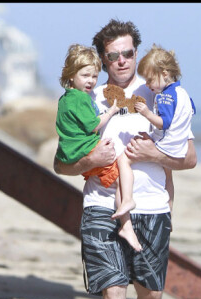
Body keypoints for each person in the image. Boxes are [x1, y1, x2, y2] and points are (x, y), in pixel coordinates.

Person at [53, 19, 197, 299]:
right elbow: (61, 164)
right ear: (102, 58)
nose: (121, 60)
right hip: (100, 204)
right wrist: (88, 161)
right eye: (113, 55)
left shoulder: (161, 92)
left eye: (128, 53)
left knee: (150, 293)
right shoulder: (88, 96)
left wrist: (155, 153)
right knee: (113, 290)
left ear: (137, 53)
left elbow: (190, 158)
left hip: (152, 208)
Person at [55, 44, 141, 252]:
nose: (91, 81)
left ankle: (126, 209)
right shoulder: (79, 99)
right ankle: (126, 221)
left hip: (72, 151)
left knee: (120, 168)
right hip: (85, 150)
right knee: (121, 172)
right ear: (71, 75)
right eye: (85, 75)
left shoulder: (65, 98)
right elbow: (93, 125)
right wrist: (111, 110)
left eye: (94, 76)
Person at [134, 43, 196, 162]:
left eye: (150, 80)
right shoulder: (182, 93)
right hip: (181, 146)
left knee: (126, 159)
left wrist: (146, 113)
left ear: (164, 74)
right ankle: (168, 181)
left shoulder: (164, 97)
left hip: (167, 146)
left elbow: (164, 123)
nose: (147, 85)